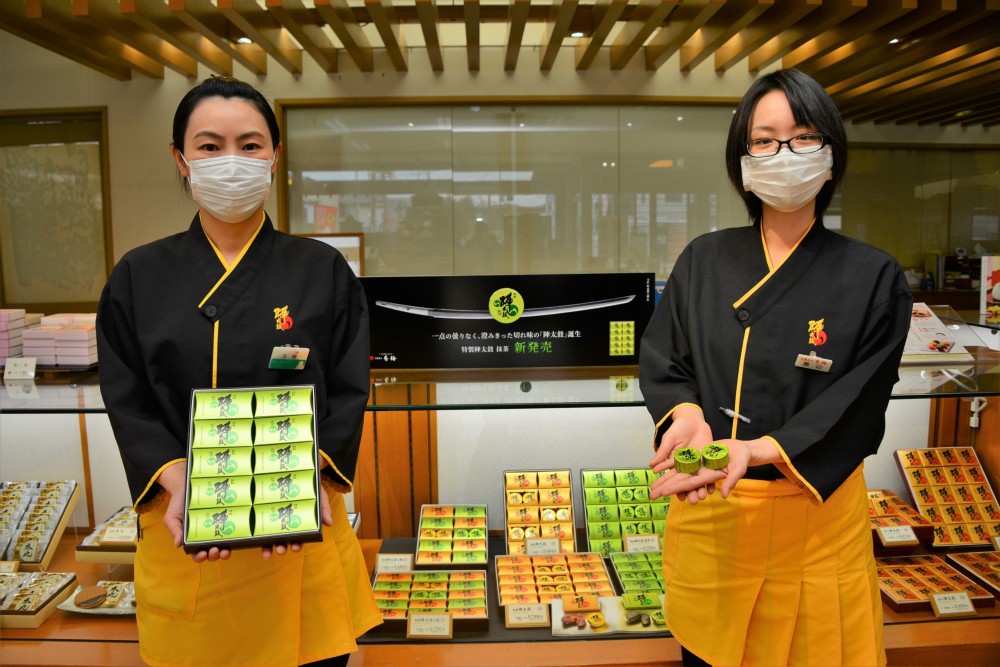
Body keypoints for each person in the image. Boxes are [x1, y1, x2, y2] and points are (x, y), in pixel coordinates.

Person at [96, 76, 381, 667]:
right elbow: (127, 397)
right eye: (209, 146)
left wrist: (308, 480)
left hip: (295, 527)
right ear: (180, 159)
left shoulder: (321, 270)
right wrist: (180, 484)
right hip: (189, 527)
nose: (231, 161)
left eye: (250, 145)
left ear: (274, 157)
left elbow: (351, 388)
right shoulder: (139, 275)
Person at [639, 69, 912, 666]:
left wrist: (760, 449)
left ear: (832, 156)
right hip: (716, 512)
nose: (782, 154)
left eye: (803, 136)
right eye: (763, 140)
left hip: (814, 519)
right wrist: (683, 414)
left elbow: (861, 402)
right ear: (743, 160)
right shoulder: (704, 259)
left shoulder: (874, 276)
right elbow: (665, 356)